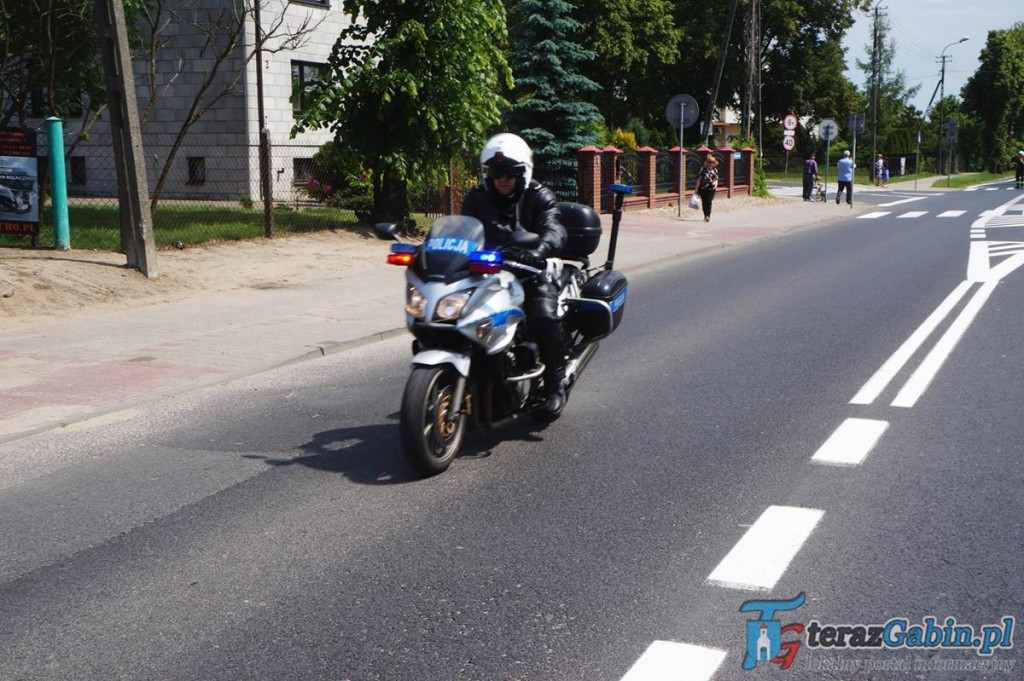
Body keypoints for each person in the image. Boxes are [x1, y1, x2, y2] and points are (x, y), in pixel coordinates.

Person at [460, 133, 568, 419]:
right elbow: (462, 229)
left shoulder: (539, 195)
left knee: (544, 315)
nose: (502, 179)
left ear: (523, 172)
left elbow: (554, 229)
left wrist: (541, 249)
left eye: (510, 173)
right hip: (487, 273)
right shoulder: (477, 198)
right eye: (496, 173)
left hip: (530, 272)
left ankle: (555, 385)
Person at [697, 156, 719, 222]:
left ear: (714, 163)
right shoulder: (703, 169)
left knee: (709, 201)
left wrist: (716, 185)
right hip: (703, 188)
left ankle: (708, 216)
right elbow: (699, 179)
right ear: (707, 163)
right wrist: (696, 189)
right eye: (709, 162)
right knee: (704, 202)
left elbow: (716, 179)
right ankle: (705, 215)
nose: (711, 164)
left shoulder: (715, 170)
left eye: (712, 162)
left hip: (711, 188)